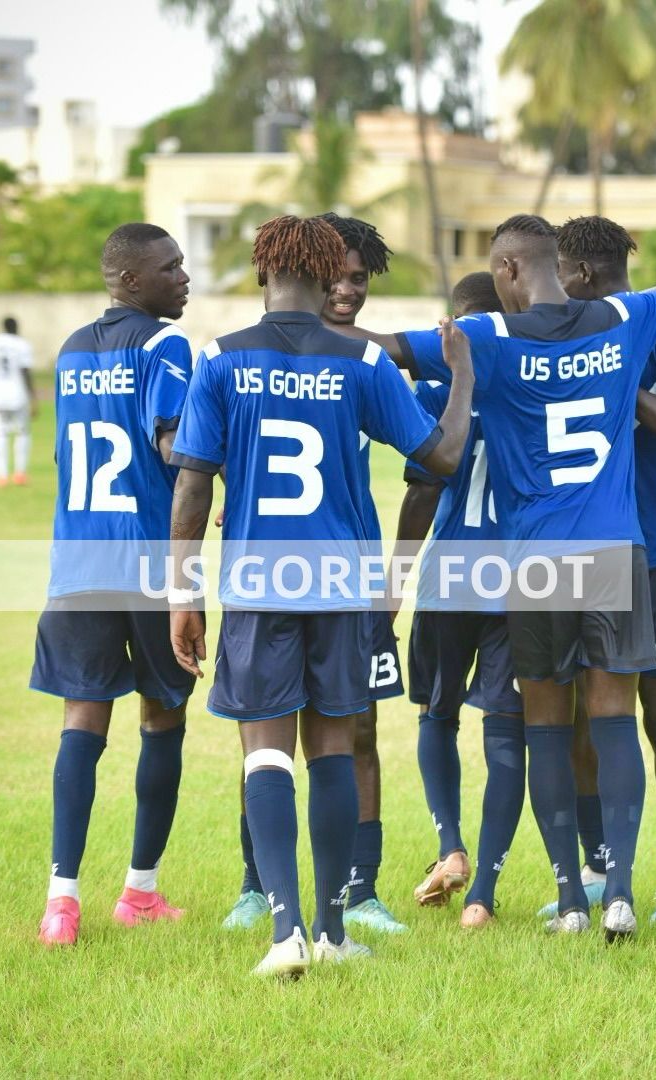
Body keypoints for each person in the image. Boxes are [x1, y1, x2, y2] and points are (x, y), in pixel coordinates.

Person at [341, 214, 656, 940]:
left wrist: (307, 322)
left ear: (506, 271)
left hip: (534, 561)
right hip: (615, 552)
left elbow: (381, 350)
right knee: (613, 719)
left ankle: (571, 899)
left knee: (543, 728)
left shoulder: (486, 338)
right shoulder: (622, 318)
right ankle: (623, 892)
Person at [167, 215, 473, 977]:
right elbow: (439, 453)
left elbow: (193, 484)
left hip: (257, 584)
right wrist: (463, 375)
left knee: (265, 754)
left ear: (263, 268)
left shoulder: (221, 360)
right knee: (335, 747)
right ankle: (334, 928)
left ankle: (285, 934)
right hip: (342, 583)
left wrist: (181, 594)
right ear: (322, 271)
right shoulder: (364, 359)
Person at [221, 214, 410, 937]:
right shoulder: (263, 358)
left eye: (361, 279)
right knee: (274, 737)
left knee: (353, 731)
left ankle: (357, 892)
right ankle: (260, 885)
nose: (348, 289)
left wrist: (397, 569)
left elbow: (423, 472)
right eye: (338, 275)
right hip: (310, 577)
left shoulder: (368, 364)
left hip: (345, 579)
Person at [536, 215, 656, 925]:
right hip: (597, 547)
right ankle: (599, 865)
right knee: (584, 718)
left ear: (580, 276)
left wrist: (617, 386)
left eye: (561, 274)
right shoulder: (568, 339)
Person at [30, 223, 195, 946]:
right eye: (170, 267)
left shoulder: (69, 350)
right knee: (163, 718)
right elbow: (171, 440)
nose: (184, 276)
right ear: (130, 281)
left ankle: (61, 903)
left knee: (82, 721)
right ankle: (139, 893)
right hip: (148, 566)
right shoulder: (165, 346)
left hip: (77, 564)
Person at [393, 271, 525, 929]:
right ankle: (483, 898)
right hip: (521, 580)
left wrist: (393, 581)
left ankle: (451, 847)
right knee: (507, 728)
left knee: (436, 714)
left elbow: (422, 490)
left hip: (450, 576)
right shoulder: (536, 382)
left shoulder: (438, 385)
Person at [0, 316, 37, 487]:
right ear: (16, 327)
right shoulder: (22, 345)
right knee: (22, 433)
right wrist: (34, 397)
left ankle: (1, 475)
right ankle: (20, 473)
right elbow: (25, 372)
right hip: (17, 394)